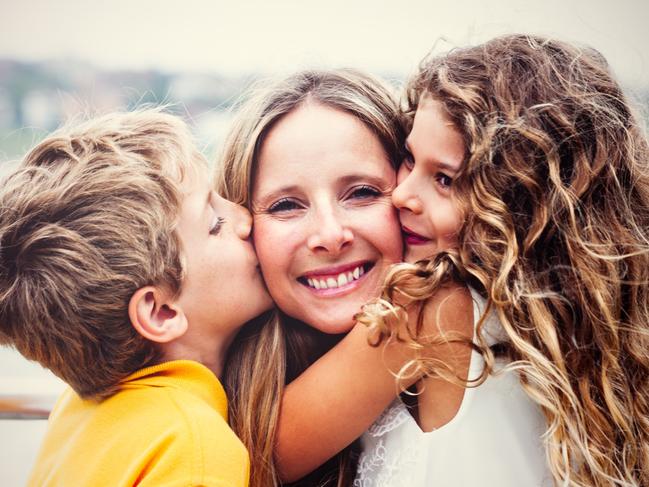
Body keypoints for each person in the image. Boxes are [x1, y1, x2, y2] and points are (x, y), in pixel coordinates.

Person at [355, 34, 649, 486]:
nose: (403, 193)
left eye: (446, 180)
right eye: (409, 159)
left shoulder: (436, 312)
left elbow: (273, 447)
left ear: (527, 205)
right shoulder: (603, 340)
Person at [217, 69, 467, 486]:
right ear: (242, 225)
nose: (331, 236)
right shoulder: (210, 375)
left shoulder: (434, 310)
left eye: (363, 193)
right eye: (285, 206)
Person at [0, 109, 271, 486]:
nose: (245, 219)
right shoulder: (194, 448)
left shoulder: (73, 412)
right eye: (214, 224)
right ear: (159, 312)